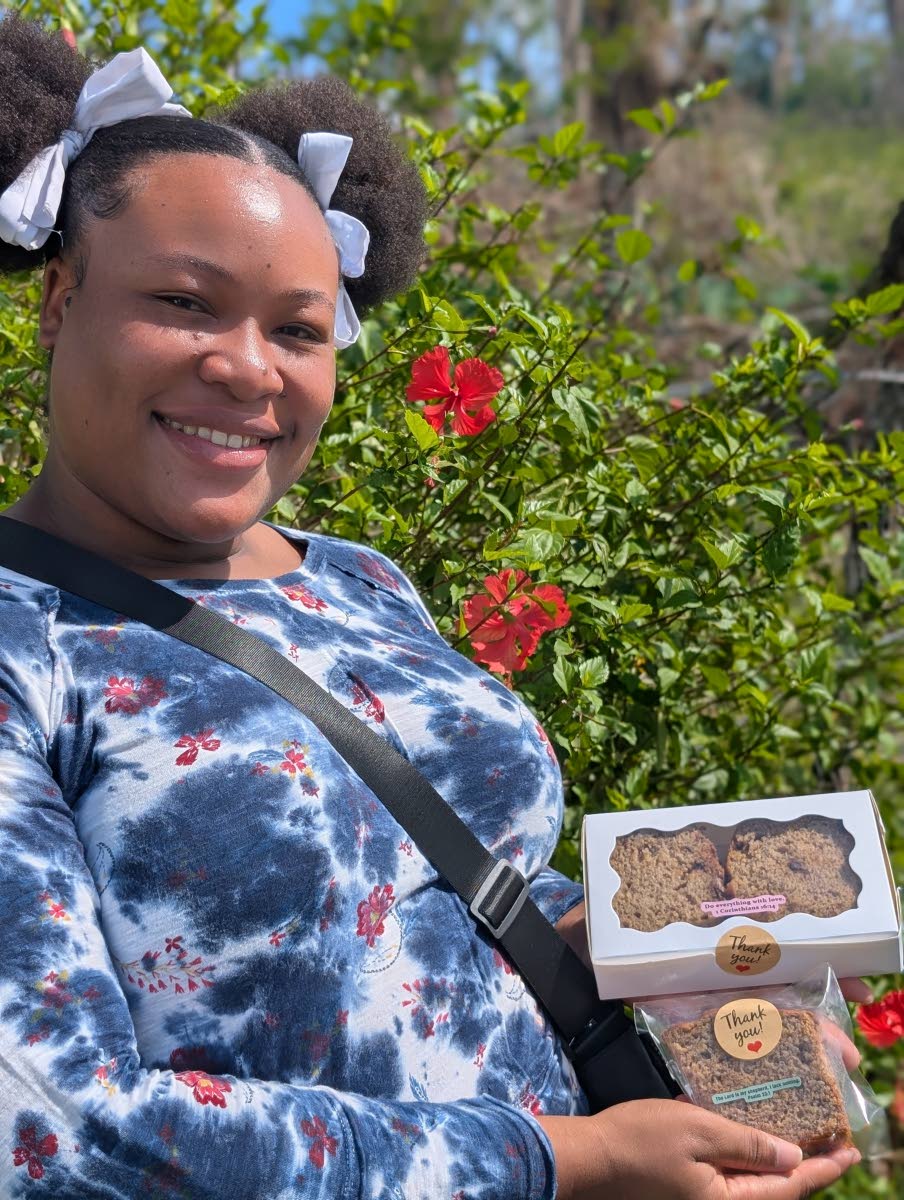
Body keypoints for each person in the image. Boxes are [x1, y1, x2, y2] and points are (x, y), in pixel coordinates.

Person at [0, 12, 864, 1198]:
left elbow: (470, 883)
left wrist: (698, 979)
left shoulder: (354, 578)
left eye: (297, 329)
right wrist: (573, 1163)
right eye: (188, 304)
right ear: (58, 302)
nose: (251, 367)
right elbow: (52, 1136)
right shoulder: (20, 646)